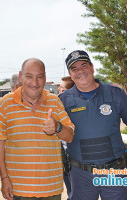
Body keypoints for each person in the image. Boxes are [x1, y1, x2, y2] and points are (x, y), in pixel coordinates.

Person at [0, 58, 75, 200]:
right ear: (21, 76)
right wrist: (4, 178)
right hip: (18, 190)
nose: (35, 83)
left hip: (52, 189)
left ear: (45, 78)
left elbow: (70, 136)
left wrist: (57, 127)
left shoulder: (54, 101)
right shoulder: (6, 103)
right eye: (29, 77)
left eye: (40, 77)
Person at [59, 50, 127, 200]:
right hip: (80, 174)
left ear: (92, 67)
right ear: (70, 74)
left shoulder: (116, 94)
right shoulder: (63, 101)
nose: (80, 71)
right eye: (74, 69)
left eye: (84, 66)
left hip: (114, 172)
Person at [58, 76, 74, 200]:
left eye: (62, 89)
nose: (59, 90)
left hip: (74, 159)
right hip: (64, 158)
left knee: (74, 193)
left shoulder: (73, 111)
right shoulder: (59, 108)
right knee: (70, 191)